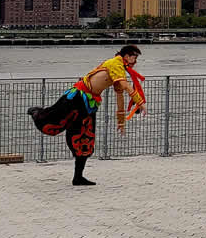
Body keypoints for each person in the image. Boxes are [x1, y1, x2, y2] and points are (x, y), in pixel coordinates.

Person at [27, 45, 147, 186]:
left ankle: (78, 177)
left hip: (89, 105)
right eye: (134, 57)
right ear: (126, 56)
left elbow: (120, 95)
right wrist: (141, 102)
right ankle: (36, 112)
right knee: (52, 122)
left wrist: (121, 122)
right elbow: (126, 86)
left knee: (85, 141)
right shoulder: (115, 63)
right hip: (76, 96)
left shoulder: (119, 70)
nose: (135, 61)